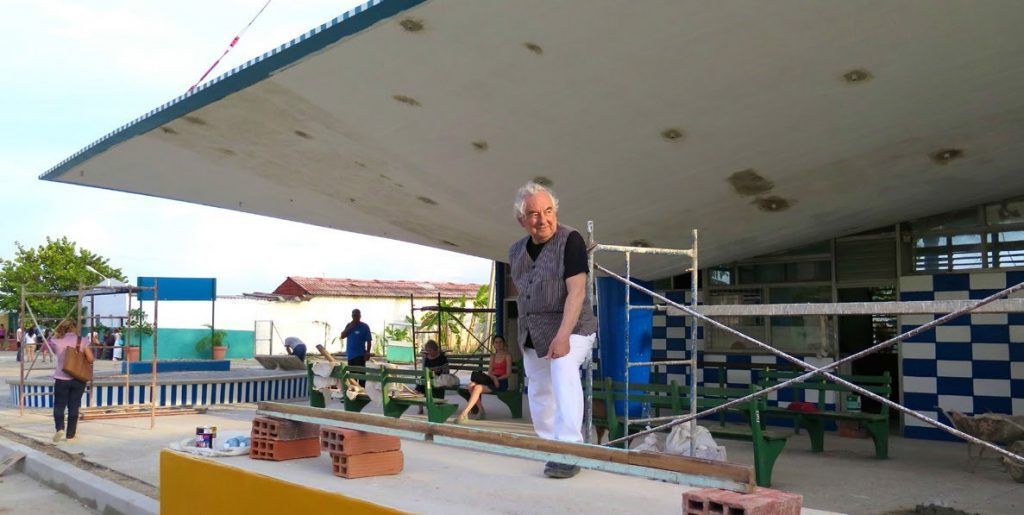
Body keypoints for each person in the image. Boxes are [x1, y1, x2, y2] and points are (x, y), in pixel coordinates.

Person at [509, 181, 597, 479]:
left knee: (563, 366)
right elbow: (527, 293)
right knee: (539, 390)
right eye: (534, 214)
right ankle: (552, 448)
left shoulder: (569, 240)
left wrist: (563, 336)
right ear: (522, 220)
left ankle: (571, 449)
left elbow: (577, 292)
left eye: (548, 211)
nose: (543, 219)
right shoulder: (516, 251)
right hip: (533, 331)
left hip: (574, 327)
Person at [42, 319, 96, 443]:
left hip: (61, 378)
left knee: (59, 405)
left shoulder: (55, 341)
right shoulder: (82, 340)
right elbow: (91, 359)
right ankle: (70, 436)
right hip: (78, 379)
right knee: (74, 406)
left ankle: (59, 428)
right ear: (74, 327)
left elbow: (55, 353)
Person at [454, 335, 512, 423]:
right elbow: (490, 372)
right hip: (492, 380)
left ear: (503, 343)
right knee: (471, 386)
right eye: (496, 342)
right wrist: (494, 379)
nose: (498, 344)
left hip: (501, 382)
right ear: (493, 344)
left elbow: (508, 374)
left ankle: (464, 414)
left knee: (477, 388)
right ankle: (481, 411)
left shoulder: (507, 356)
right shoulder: (493, 356)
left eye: (500, 342)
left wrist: (497, 379)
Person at [340, 309, 372, 386]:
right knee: (352, 377)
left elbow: (369, 341)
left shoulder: (365, 326)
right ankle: (355, 394)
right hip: (350, 356)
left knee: (361, 377)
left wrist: (368, 352)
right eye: (354, 315)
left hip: (360, 355)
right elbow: (342, 336)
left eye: (357, 315)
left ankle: (362, 392)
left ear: (360, 316)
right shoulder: (349, 325)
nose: (355, 317)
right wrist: (349, 327)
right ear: (352, 316)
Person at [415, 340, 449, 407]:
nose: (428, 352)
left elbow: (446, 372)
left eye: (430, 350)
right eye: (427, 351)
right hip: (428, 377)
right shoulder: (426, 358)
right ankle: (420, 401)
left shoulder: (442, 358)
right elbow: (424, 370)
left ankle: (421, 400)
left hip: (439, 378)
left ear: (435, 350)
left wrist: (437, 370)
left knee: (426, 381)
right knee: (423, 380)